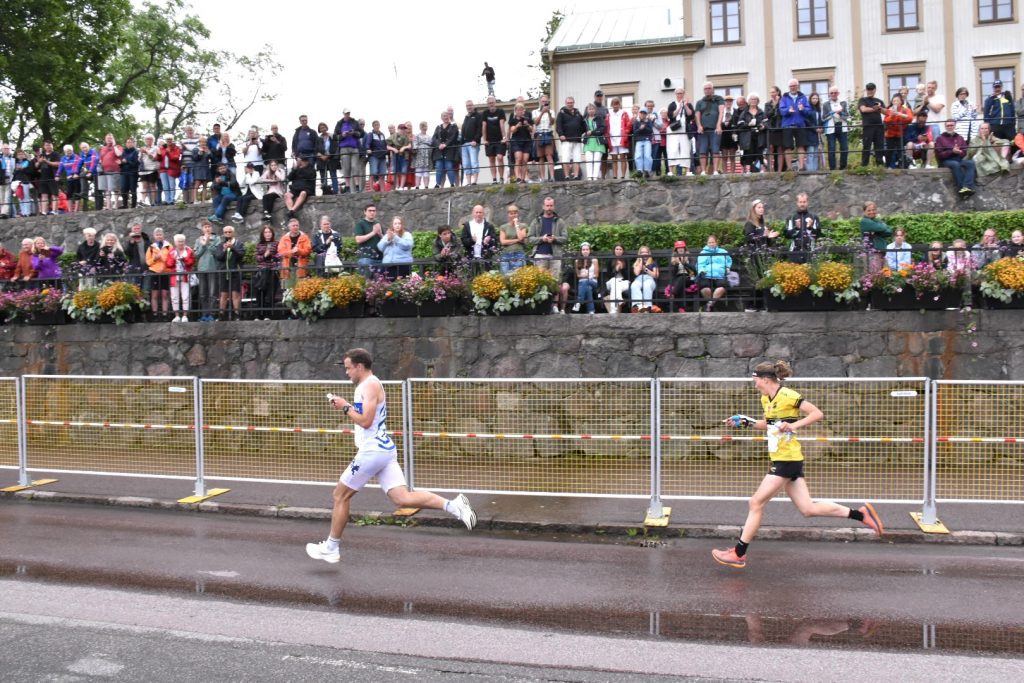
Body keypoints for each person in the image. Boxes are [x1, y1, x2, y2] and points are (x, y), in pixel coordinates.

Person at [306, 348, 477, 564]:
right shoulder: (367, 385)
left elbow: (366, 421)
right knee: (402, 498)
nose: (347, 372)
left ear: (359, 366)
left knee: (340, 495)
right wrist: (346, 407)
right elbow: (365, 418)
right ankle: (455, 506)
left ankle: (331, 547)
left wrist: (344, 406)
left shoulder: (370, 385)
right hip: (383, 449)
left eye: (349, 368)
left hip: (373, 451)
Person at [711, 360, 884, 569]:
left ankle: (739, 553)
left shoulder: (788, 395)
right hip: (783, 457)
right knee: (808, 509)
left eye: (755, 379)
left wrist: (793, 425)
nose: (754, 383)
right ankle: (861, 514)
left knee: (755, 503)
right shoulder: (766, 398)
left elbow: (817, 413)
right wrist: (745, 421)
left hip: (787, 459)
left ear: (766, 379)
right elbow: (769, 424)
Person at [528, 197, 568, 311]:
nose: (549, 208)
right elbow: (530, 238)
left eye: (551, 206)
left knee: (555, 281)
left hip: (555, 255)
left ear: (553, 206)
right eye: (547, 205)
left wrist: (555, 239)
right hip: (540, 255)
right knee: (541, 281)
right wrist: (542, 239)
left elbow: (565, 238)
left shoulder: (559, 221)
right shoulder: (536, 220)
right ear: (543, 206)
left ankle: (554, 305)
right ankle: (542, 306)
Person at [934, 119, 977, 198]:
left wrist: (960, 152)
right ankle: (961, 188)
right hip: (945, 161)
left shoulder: (960, 138)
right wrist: (951, 151)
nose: (950, 127)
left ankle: (966, 186)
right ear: (945, 127)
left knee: (971, 163)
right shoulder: (940, 138)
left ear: (955, 126)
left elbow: (965, 151)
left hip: (958, 159)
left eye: (952, 125)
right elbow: (939, 154)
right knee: (955, 164)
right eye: (948, 125)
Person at [214, 224, 245, 320]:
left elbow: (241, 255)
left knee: (235, 293)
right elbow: (218, 257)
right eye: (226, 232)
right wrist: (224, 249)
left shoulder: (239, 243)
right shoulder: (220, 245)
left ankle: (237, 314)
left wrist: (233, 248)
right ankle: (221, 314)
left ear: (233, 233)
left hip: (235, 271)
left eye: (229, 232)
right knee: (223, 294)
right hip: (224, 271)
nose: (228, 234)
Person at [695, 81, 726, 175]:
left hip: (715, 129)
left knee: (715, 150)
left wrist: (718, 125)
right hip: (703, 130)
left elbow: (721, 112)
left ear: (712, 89)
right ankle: (704, 171)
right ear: (703, 90)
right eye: (705, 88)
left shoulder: (719, 99)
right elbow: (697, 115)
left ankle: (716, 170)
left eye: (709, 88)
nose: (707, 90)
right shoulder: (700, 102)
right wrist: (699, 126)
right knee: (702, 151)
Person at [193, 221, 221, 322]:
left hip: (213, 268)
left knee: (213, 292)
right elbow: (196, 255)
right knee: (202, 293)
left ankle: (212, 314)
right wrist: (203, 245)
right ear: (202, 229)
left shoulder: (217, 238)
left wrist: (208, 243)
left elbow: (217, 252)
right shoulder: (198, 240)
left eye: (209, 227)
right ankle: (204, 314)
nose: (207, 229)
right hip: (202, 269)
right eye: (205, 227)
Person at [696, 235, 732, 311]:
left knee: (722, 287)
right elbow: (700, 264)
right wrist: (701, 271)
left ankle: (709, 304)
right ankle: (712, 305)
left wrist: (728, 267)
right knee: (704, 288)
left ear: (716, 243)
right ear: (707, 243)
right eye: (710, 242)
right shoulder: (703, 252)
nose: (711, 244)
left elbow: (729, 260)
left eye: (713, 242)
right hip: (707, 275)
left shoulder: (723, 252)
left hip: (720, 275)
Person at [165, 234, 195, 323]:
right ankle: (177, 315)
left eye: (182, 241)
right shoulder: (171, 252)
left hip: (185, 276)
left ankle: (185, 315)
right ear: (175, 242)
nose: (181, 243)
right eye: (179, 241)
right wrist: (174, 259)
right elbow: (168, 264)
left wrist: (184, 260)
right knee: (174, 296)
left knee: (185, 296)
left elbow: (192, 262)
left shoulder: (189, 251)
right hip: (174, 276)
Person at [784, 193, 821, 263]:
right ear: (797, 203)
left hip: (810, 252)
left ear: (807, 203)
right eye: (800, 202)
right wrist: (796, 229)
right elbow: (787, 235)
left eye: (804, 202)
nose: (802, 204)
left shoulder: (814, 217)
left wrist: (810, 228)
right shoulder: (791, 218)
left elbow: (818, 235)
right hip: (794, 253)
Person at [556, 96, 586, 180]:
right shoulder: (561, 113)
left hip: (577, 139)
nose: (570, 104)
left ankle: (576, 175)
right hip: (566, 139)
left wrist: (586, 131)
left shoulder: (578, 113)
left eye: (571, 103)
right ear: (565, 103)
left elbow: (583, 124)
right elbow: (558, 125)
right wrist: (561, 134)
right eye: (568, 103)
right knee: (566, 158)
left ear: (574, 103)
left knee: (577, 158)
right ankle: (567, 176)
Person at [461, 204, 498, 272]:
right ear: (473, 213)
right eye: (476, 212)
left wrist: (488, 240)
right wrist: (472, 240)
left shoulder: (489, 226)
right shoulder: (467, 226)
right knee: (471, 280)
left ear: (483, 214)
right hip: (470, 258)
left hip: (485, 258)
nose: (478, 214)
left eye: (480, 212)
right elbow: (463, 241)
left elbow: (495, 241)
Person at [276, 217, 313, 286]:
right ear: (289, 227)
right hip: (287, 268)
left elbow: (308, 250)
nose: (295, 227)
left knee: (301, 291)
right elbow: (281, 252)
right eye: (293, 225)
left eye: (297, 225)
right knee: (287, 290)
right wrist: (291, 252)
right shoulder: (284, 238)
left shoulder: (305, 237)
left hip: (301, 268)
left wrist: (298, 251)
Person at [666, 87, 693, 176]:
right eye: (678, 93)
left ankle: (688, 171)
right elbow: (671, 116)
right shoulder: (672, 105)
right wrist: (679, 107)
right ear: (675, 94)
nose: (679, 95)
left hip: (684, 129)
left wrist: (685, 105)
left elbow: (690, 114)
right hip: (674, 129)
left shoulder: (688, 104)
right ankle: (670, 171)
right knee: (672, 150)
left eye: (681, 93)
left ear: (683, 94)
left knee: (685, 149)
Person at [254, 225, 280, 320]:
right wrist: (265, 255)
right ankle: (259, 314)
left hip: (272, 271)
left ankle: (268, 315)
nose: (267, 234)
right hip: (261, 271)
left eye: (269, 232)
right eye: (265, 232)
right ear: (263, 234)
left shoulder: (276, 243)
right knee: (260, 293)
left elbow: (279, 256)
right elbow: (257, 258)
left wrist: (272, 255)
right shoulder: (259, 244)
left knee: (270, 294)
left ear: (272, 233)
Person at [146, 227, 172, 319]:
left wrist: (163, 259)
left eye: (160, 234)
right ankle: (155, 314)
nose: (159, 236)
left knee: (165, 294)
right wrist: (155, 259)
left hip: (165, 272)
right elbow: (148, 262)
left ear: (163, 235)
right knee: (155, 294)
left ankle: (165, 314)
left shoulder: (169, 246)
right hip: (154, 272)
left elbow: (171, 259)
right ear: (154, 236)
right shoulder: (151, 247)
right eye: (157, 235)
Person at [859, 201, 893, 271]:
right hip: (872, 253)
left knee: (883, 276)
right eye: (869, 210)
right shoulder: (865, 221)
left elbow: (889, 232)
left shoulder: (876, 220)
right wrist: (882, 226)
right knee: (874, 276)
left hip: (881, 252)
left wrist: (878, 230)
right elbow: (882, 228)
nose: (871, 212)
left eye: (873, 210)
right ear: (864, 211)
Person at [481, 97, 508, 184]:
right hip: (489, 140)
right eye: (489, 103)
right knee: (491, 160)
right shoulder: (485, 113)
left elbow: (502, 125)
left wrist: (504, 138)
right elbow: (484, 126)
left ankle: (501, 178)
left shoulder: (500, 111)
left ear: (495, 103)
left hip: (499, 140)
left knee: (500, 158)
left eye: (492, 102)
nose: (491, 104)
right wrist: (484, 139)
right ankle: (494, 179)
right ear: (488, 104)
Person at [822, 86, 850, 170]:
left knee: (844, 148)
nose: (833, 94)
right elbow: (823, 118)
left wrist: (840, 113)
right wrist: (832, 112)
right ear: (829, 94)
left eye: (835, 93)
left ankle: (843, 167)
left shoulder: (843, 103)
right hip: (831, 128)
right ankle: (832, 169)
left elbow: (848, 116)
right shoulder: (826, 104)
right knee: (831, 148)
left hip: (842, 126)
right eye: (831, 93)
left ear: (838, 93)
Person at [737, 93, 767, 173]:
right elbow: (740, 124)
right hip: (748, 136)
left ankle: (761, 169)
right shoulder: (744, 112)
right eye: (752, 99)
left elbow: (766, 123)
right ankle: (748, 170)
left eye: (755, 99)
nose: (753, 101)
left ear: (758, 101)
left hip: (759, 135)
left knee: (759, 152)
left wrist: (763, 126)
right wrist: (748, 124)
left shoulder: (761, 112)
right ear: (749, 101)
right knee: (748, 152)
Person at [858, 83, 885, 168]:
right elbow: (863, 109)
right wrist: (874, 109)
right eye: (868, 89)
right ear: (866, 90)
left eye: (871, 89)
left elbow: (885, 111)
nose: (870, 91)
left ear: (874, 90)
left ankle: (880, 165)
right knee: (867, 146)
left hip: (879, 126)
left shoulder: (879, 101)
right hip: (868, 126)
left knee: (879, 146)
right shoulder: (863, 100)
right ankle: (864, 165)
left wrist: (879, 108)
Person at [431, 110, 459, 189]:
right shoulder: (438, 127)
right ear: (441, 118)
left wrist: (446, 144)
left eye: (446, 116)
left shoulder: (453, 126)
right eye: (444, 116)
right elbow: (434, 138)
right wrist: (438, 145)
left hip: (449, 150)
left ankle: (452, 184)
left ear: (449, 116)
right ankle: (437, 184)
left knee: (449, 166)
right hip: (439, 151)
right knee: (439, 167)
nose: (445, 117)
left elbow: (453, 137)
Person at [882, 94, 912, 169]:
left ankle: (902, 166)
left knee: (900, 150)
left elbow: (910, 118)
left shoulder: (905, 109)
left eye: (897, 100)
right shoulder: (889, 110)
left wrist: (899, 114)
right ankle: (888, 166)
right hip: (890, 134)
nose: (895, 102)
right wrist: (892, 114)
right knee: (889, 151)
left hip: (900, 134)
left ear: (901, 101)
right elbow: (886, 121)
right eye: (894, 101)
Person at [354, 204, 384, 276]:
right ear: (365, 212)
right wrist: (373, 233)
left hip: (380, 258)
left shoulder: (378, 224)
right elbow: (358, 240)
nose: (372, 212)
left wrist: (380, 234)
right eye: (370, 210)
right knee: (366, 283)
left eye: (374, 211)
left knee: (380, 284)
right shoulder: (360, 224)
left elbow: (385, 240)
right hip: (366, 258)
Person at [507, 103, 534, 184]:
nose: (520, 111)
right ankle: (518, 177)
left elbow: (531, 130)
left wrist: (527, 125)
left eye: (522, 110)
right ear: (515, 111)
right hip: (516, 141)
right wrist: (517, 126)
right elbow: (512, 130)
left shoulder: (528, 119)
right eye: (518, 110)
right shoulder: (513, 120)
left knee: (525, 160)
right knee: (518, 158)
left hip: (526, 141)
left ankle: (523, 179)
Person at [498, 204, 528, 275]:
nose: (513, 215)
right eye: (511, 213)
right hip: (506, 254)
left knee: (519, 277)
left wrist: (516, 225)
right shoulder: (503, 227)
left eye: (515, 213)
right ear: (508, 215)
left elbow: (521, 237)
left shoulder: (522, 226)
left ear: (517, 214)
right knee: (505, 277)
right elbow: (503, 242)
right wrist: (517, 240)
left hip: (519, 254)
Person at [667, 240, 696, 313]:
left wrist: (685, 263)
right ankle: (681, 308)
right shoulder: (673, 258)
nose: (680, 249)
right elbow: (672, 273)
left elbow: (694, 270)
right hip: (678, 279)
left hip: (689, 278)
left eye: (682, 247)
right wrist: (676, 264)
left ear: (684, 248)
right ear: (676, 249)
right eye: (678, 248)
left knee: (682, 278)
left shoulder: (689, 257)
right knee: (681, 282)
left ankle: (673, 293)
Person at [605, 97, 631, 179]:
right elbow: (606, 126)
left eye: (617, 104)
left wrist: (625, 133)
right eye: (614, 104)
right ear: (611, 105)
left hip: (622, 138)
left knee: (623, 157)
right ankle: (615, 176)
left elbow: (628, 124)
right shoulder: (608, 114)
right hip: (612, 139)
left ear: (620, 104)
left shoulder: (624, 113)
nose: (615, 106)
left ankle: (623, 175)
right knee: (614, 158)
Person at [581, 103, 607, 180]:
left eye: (592, 109)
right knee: (589, 160)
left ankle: (595, 177)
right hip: (588, 142)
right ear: (587, 110)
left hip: (598, 142)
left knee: (597, 160)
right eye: (589, 109)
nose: (591, 111)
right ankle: (589, 177)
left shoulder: (599, 118)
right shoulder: (584, 120)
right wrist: (585, 133)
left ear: (595, 110)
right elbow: (581, 130)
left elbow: (602, 129)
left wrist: (592, 132)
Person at [533, 95, 556, 182]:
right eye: (542, 101)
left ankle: (552, 176)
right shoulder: (535, 112)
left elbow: (552, 122)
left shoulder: (552, 111)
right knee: (541, 157)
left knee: (549, 155)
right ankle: (542, 177)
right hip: (539, 134)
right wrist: (542, 112)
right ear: (539, 101)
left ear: (548, 102)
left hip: (548, 134)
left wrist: (548, 113)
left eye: (546, 101)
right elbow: (536, 122)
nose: (544, 103)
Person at [630, 245, 658, 312]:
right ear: (640, 254)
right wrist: (641, 261)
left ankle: (647, 307)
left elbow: (656, 275)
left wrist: (646, 269)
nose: (644, 254)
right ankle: (638, 307)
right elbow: (636, 273)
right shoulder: (637, 263)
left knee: (646, 285)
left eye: (646, 252)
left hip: (650, 279)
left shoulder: (653, 263)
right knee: (634, 285)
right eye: (642, 252)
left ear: (649, 253)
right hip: (639, 279)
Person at [460, 101, 483, 186]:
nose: (469, 107)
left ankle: (474, 181)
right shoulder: (466, 117)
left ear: (473, 106)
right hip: (464, 144)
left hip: (473, 143)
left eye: (470, 105)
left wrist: (476, 140)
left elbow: (480, 129)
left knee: (474, 162)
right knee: (466, 164)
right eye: (467, 106)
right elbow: (463, 129)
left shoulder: (478, 116)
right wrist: (461, 142)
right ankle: (468, 182)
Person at [573, 242, 599, 314]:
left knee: (586, 282)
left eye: (587, 249)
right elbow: (578, 275)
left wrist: (588, 276)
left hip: (592, 281)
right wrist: (582, 276)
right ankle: (591, 310)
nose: (585, 251)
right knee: (588, 288)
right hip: (582, 283)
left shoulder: (594, 260)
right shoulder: (577, 261)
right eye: (583, 250)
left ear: (589, 251)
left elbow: (596, 275)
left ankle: (579, 302)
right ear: (581, 251)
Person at [604, 244, 630, 314]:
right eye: (617, 249)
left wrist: (622, 269)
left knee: (616, 287)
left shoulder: (626, 260)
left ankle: (613, 310)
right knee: (614, 281)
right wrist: (615, 270)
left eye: (620, 249)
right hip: (611, 282)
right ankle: (619, 299)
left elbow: (628, 277)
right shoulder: (610, 260)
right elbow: (609, 276)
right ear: (614, 250)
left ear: (623, 251)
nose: (618, 251)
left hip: (623, 282)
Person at [156, 135, 182, 205]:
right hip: (163, 169)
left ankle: (172, 199)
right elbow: (158, 159)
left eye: (170, 139)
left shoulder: (176, 148)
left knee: (172, 185)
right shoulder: (162, 148)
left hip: (172, 169)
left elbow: (175, 158)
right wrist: (158, 155)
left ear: (172, 140)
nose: (169, 141)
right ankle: (167, 200)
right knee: (165, 185)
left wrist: (168, 152)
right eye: (167, 139)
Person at [315, 122, 339, 195]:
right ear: (319, 129)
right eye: (321, 128)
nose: (323, 129)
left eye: (324, 127)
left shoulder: (332, 136)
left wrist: (328, 156)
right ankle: (324, 191)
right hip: (321, 159)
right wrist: (321, 156)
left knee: (333, 175)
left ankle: (335, 191)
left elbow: (335, 147)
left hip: (332, 158)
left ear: (326, 127)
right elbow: (316, 149)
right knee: (323, 176)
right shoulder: (318, 139)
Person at [632, 108, 655, 177]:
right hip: (639, 140)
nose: (642, 114)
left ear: (646, 114)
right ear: (639, 113)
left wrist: (644, 128)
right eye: (641, 113)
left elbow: (650, 131)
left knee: (647, 155)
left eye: (644, 113)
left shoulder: (649, 121)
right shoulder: (636, 122)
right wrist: (640, 129)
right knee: (638, 155)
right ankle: (640, 170)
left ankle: (647, 170)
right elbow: (634, 132)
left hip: (647, 140)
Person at [119, 137, 140, 209]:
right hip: (124, 172)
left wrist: (127, 161)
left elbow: (136, 163)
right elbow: (121, 162)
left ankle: (134, 205)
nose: (129, 143)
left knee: (133, 189)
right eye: (127, 142)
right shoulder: (124, 152)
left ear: (134, 143)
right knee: (123, 188)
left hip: (132, 173)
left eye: (130, 142)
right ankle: (125, 204)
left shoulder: (136, 152)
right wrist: (121, 163)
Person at [191, 137, 212, 203]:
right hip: (198, 168)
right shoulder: (195, 149)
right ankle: (195, 200)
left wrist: (208, 152)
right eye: (202, 142)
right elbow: (194, 158)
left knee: (205, 185)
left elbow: (211, 158)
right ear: (199, 142)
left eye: (205, 142)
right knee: (197, 184)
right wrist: (200, 153)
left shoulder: (207, 149)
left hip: (205, 168)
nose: (203, 143)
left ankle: (203, 200)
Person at [413, 121, 433, 190]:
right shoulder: (417, 136)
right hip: (420, 153)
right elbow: (415, 143)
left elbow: (431, 144)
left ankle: (426, 186)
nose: (424, 128)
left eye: (425, 126)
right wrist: (415, 148)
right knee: (419, 169)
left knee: (426, 170)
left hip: (427, 153)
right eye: (423, 126)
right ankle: (417, 186)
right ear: (420, 127)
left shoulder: (429, 137)